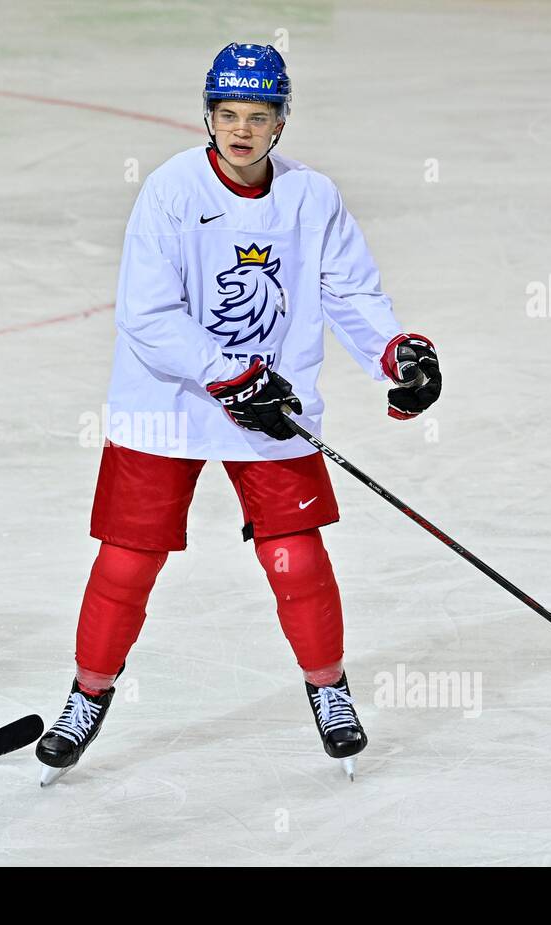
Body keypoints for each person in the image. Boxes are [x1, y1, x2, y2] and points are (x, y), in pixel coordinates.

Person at [36, 42, 442, 785]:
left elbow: (351, 291)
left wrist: (398, 353)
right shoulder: (170, 190)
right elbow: (148, 314)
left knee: (295, 556)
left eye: (258, 116)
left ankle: (329, 687)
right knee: (127, 561)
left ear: (282, 122)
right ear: (208, 116)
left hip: (271, 406)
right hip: (167, 400)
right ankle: (86, 695)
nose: (242, 131)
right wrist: (229, 374)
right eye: (228, 115)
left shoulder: (311, 197)